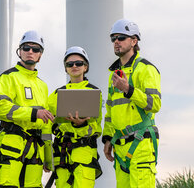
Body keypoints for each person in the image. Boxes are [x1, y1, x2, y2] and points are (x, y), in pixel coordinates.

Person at [0, 30, 54, 188]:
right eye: (26, 48)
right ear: (20, 52)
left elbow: (46, 125)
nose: (30, 52)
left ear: (40, 54)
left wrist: (48, 158)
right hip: (12, 143)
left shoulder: (42, 86)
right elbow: (1, 107)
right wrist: (33, 113)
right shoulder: (8, 77)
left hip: (35, 150)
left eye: (35, 49)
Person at [102, 19, 161, 188]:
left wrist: (128, 89)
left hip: (141, 145)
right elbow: (110, 111)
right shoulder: (114, 74)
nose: (116, 42)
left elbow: (154, 104)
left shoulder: (146, 69)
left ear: (134, 41)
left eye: (121, 37)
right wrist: (107, 138)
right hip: (120, 148)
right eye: (113, 38)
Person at [47, 46, 103, 188]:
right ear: (66, 68)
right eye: (69, 64)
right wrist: (47, 158)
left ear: (86, 67)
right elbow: (46, 125)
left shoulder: (94, 93)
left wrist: (81, 125)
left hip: (84, 156)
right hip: (62, 157)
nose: (74, 66)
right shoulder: (55, 95)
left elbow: (96, 128)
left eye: (78, 63)